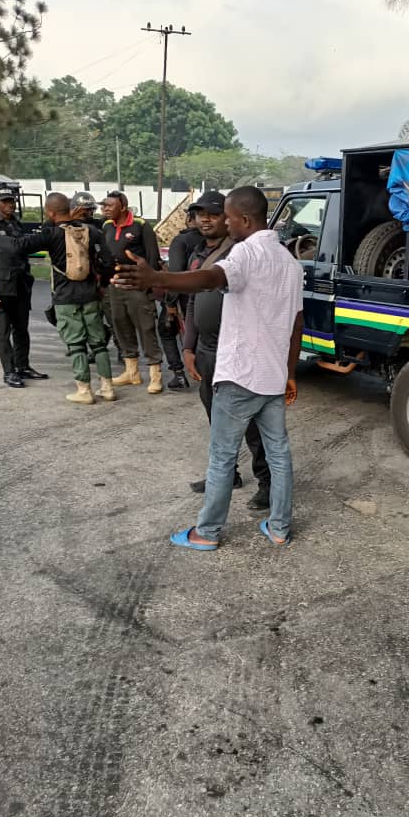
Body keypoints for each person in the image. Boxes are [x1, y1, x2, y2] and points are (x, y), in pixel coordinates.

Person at [113, 185, 303, 548]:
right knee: (279, 454)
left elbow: (211, 278)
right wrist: (291, 373)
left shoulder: (247, 253)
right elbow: (297, 325)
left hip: (240, 376)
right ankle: (279, 528)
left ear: (245, 219)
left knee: (221, 457)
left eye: (229, 218)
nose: (226, 225)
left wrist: (158, 279)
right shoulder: (290, 263)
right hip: (273, 377)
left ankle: (207, 532)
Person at [0, 192, 116, 404]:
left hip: (65, 297)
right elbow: (108, 262)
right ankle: (107, 388)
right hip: (90, 294)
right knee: (98, 343)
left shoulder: (50, 234)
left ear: (50, 212)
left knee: (76, 344)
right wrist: (102, 285)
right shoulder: (92, 231)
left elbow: (17, 246)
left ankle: (84, 390)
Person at [181, 191, 271, 507]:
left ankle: (267, 482)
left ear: (230, 218)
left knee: (249, 422)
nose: (205, 219)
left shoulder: (244, 253)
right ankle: (226, 473)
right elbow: (193, 300)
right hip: (206, 349)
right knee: (215, 415)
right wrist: (188, 347)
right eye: (199, 213)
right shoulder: (198, 252)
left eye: (214, 214)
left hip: (235, 349)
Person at [0, 185, 48, 387]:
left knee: (21, 328)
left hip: (20, 284)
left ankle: (22, 366)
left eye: (12, 201)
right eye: (6, 201)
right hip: (0, 286)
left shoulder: (15, 222)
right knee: (3, 330)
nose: (10, 204)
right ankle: (9, 372)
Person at [100, 190, 163, 393]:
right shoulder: (106, 226)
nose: (105, 209)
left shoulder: (140, 225)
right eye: (104, 205)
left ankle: (155, 376)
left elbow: (152, 257)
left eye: (109, 205)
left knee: (146, 328)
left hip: (137, 285)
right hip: (114, 285)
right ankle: (132, 373)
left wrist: (149, 285)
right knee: (121, 326)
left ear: (123, 207)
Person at [71, 191, 121, 362]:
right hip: (79, 278)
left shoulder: (101, 226)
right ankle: (94, 348)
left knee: (112, 315)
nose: (87, 213)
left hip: (101, 277)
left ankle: (122, 349)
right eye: (82, 210)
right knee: (89, 319)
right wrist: (70, 219)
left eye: (89, 209)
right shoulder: (67, 226)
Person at [157, 206, 202, 390]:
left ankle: (178, 373)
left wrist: (170, 304)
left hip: (185, 298)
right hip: (209, 297)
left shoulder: (181, 241)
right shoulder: (216, 240)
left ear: (189, 218)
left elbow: (175, 274)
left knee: (166, 331)